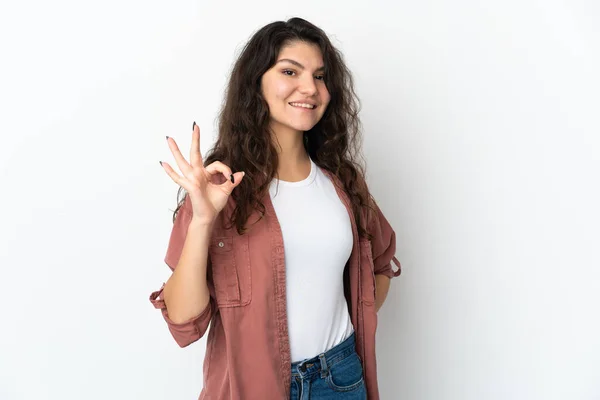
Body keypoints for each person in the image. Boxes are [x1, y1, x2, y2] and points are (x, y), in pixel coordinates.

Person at [150, 17, 401, 400]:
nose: (310, 88)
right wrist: (202, 220)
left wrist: (345, 330)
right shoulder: (219, 191)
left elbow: (379, 268)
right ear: (257, 84)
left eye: (320, 76)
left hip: (341, 379)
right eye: (290, 71)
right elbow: (184, 321)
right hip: (252, 387)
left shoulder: (344, 185)